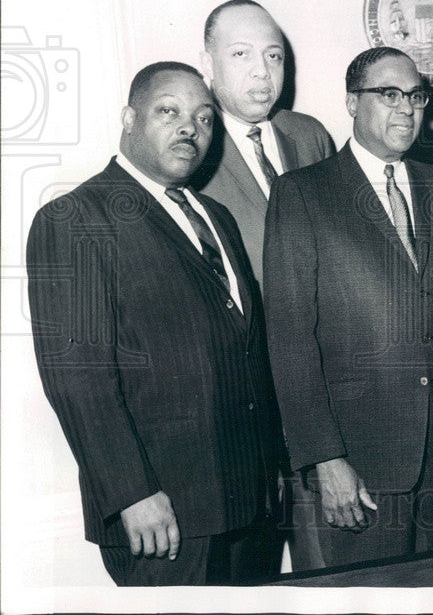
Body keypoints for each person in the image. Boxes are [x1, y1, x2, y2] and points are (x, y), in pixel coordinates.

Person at [27, 63, 282, 585]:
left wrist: (268, 470)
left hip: (249, 506)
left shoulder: (218, 216)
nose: (190, 128)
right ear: (129, 118)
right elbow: (79, 379)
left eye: (204, 118)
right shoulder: (76, 218)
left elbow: (245, 350)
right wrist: (131, 492)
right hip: (162, 518)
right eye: (169, 111)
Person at [264, 47, 433, 570]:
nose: (407, 109)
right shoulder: (302, 194)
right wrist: (326, 458)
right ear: (352, 102)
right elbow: (290, 341)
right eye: (388, 94)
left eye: (416, 96)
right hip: (361, 464)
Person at [192, 0, 335, 284]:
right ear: (208, 64)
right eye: (241, 54)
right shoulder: (193, 148)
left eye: (273, 56)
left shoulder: (310, 136)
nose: (262, 70)